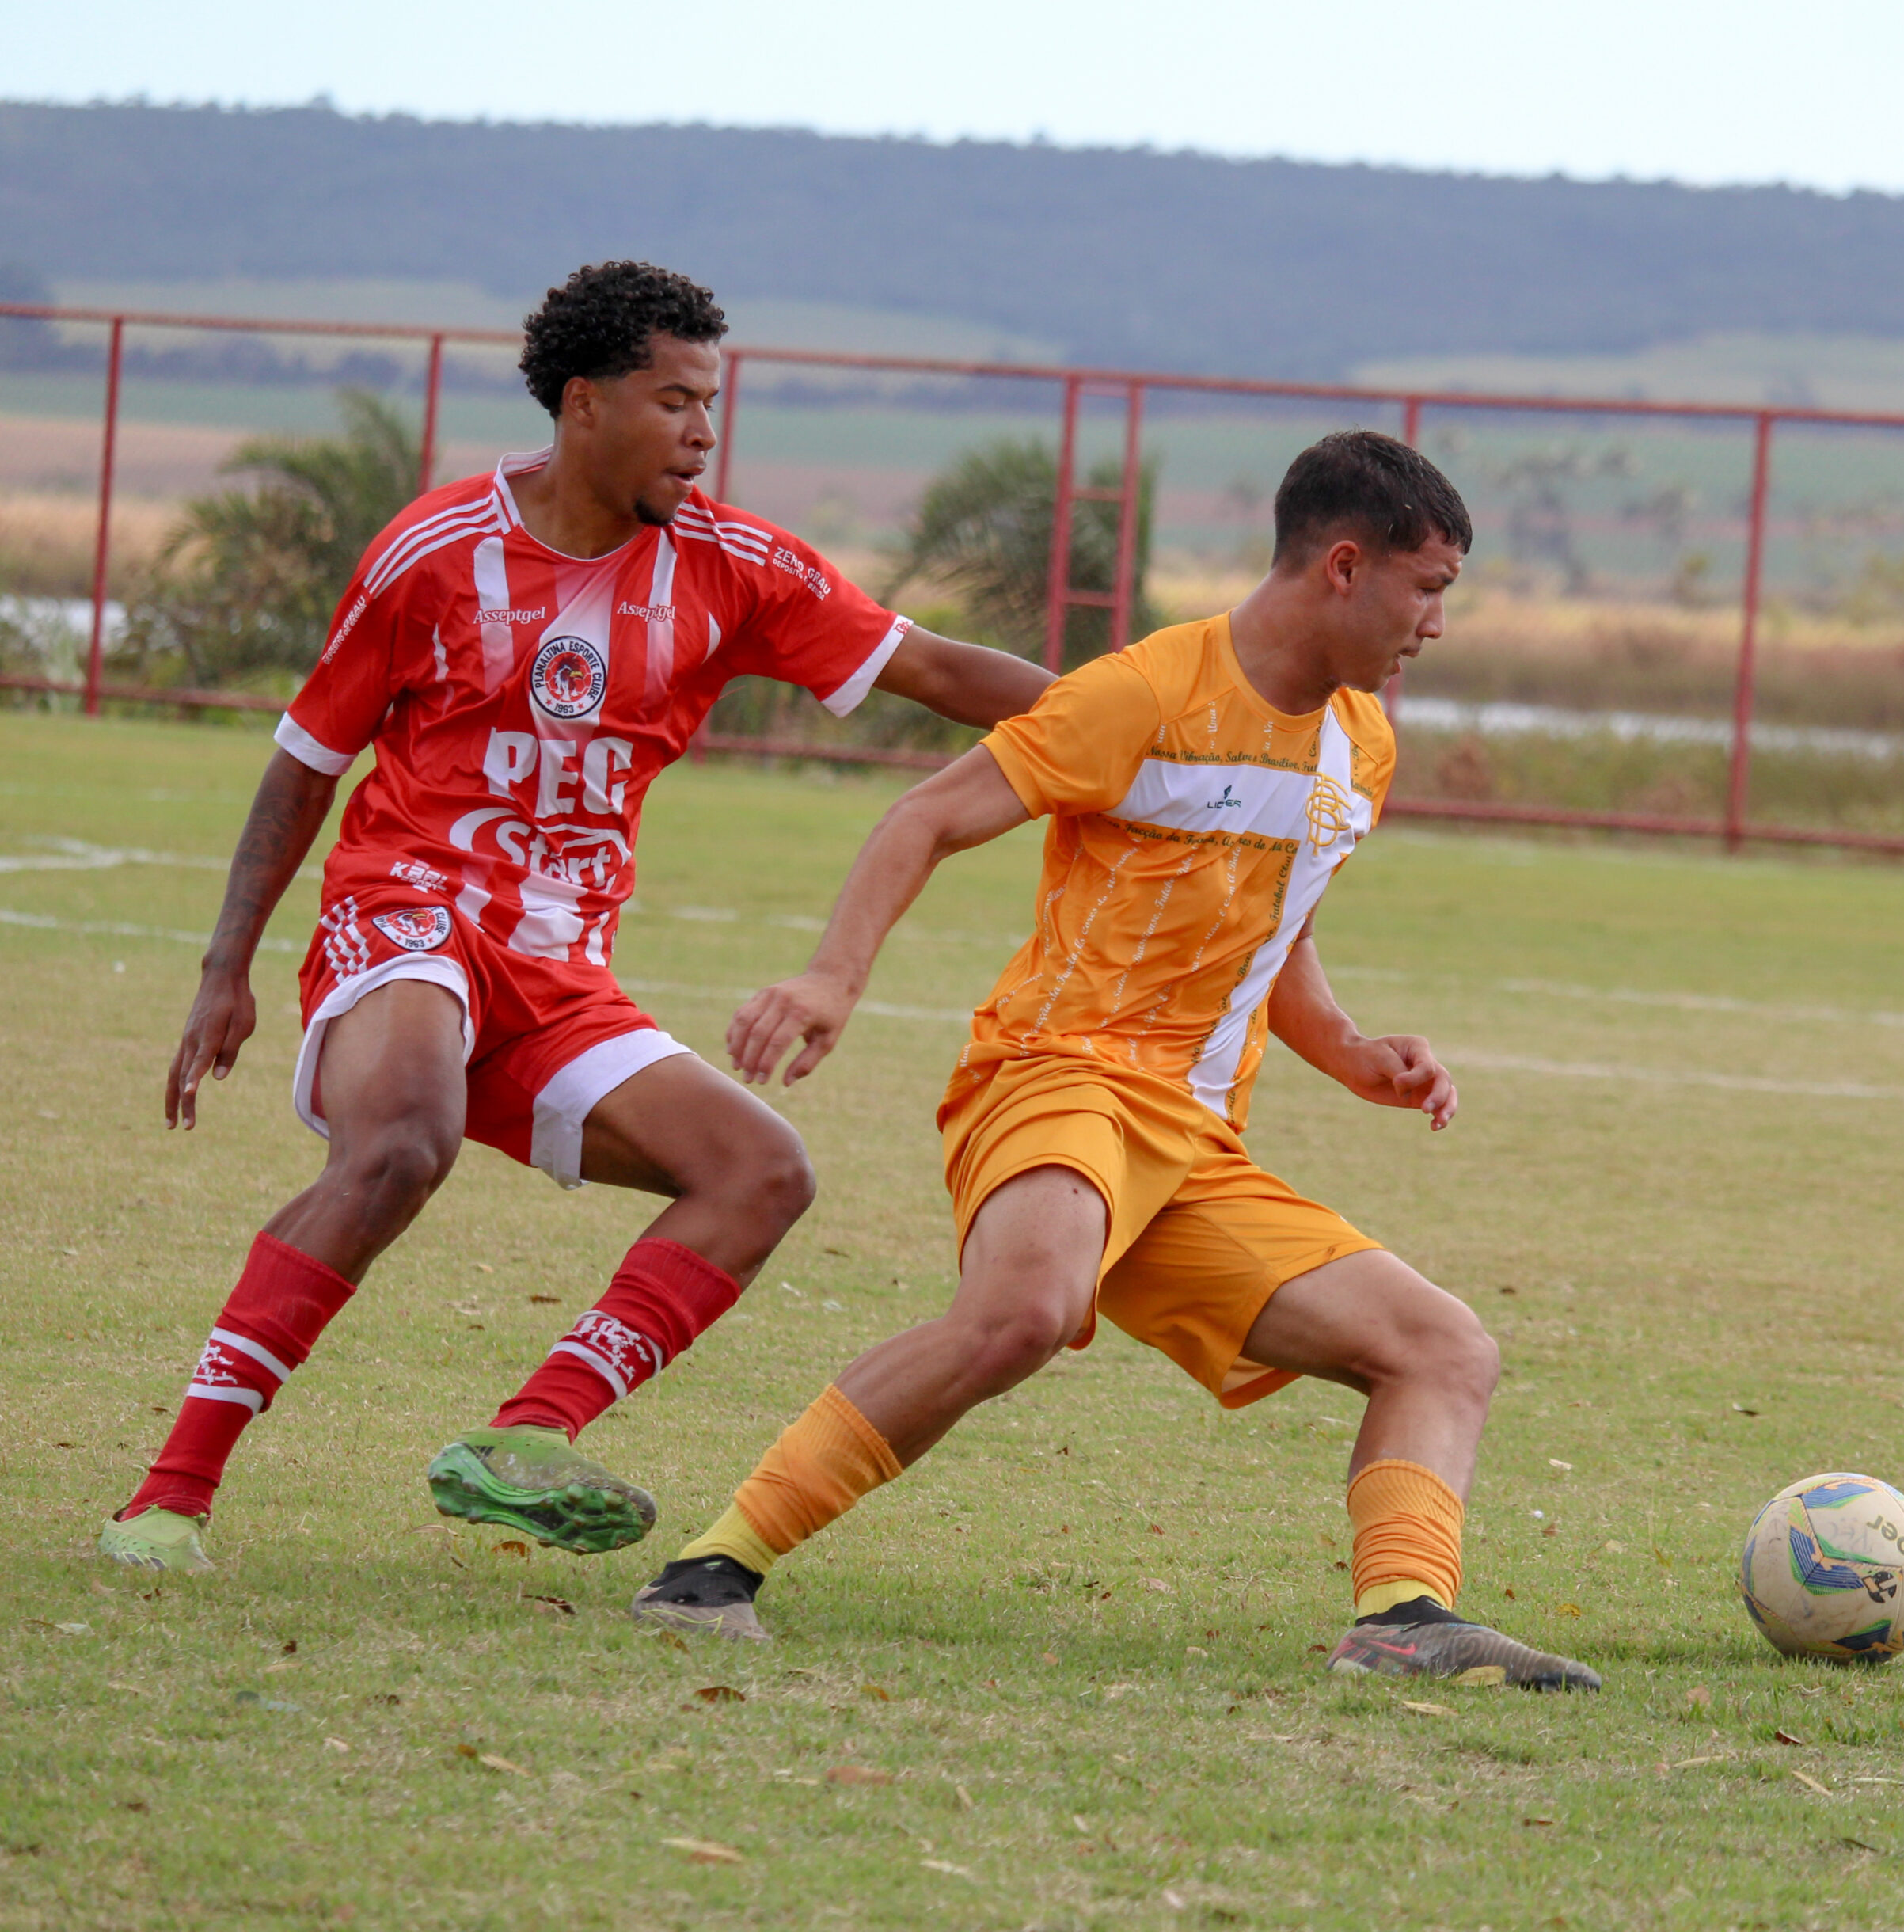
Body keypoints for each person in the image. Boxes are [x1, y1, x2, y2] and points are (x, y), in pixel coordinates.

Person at [101, 261, 1051, 1573]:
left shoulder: (734, 566)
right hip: (409, 916)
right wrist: (227, 969)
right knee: (401, 1143)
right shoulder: (436, 554)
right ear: (585, 403)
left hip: (560, 967)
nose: (704, 433)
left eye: (711, 403)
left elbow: (937, 669)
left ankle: (526, 1436)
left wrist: (1147, 728)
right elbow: (303, 766)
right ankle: (169, 1497)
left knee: (761, 1172)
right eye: (676, 401)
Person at [631, 431, 1601, 1690]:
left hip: (1190, 1146)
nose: (1436, 623)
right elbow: (926, 816)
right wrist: (832, 978)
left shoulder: (1359, 748)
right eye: (1430, 590)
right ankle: (713, 1568)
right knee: (1024, 1312)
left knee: (1444, 1348)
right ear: (1346, 568)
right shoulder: (1141, 695)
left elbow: (1274, 938)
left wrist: (1355, 1054)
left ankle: (1405, 1617)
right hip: (1058, 1077)